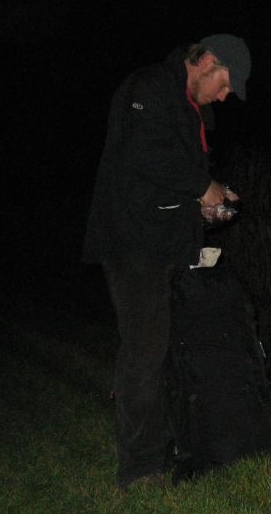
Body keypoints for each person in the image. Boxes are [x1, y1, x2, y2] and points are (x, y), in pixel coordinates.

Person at [82, 34, 251, 488]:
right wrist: (202, 187)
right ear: (208, 61)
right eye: (224, 84)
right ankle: (140, 467)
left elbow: (171, 180)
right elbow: (142, 154)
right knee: (144, 352)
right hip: (133, 243)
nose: (224, 96)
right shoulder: (149, 86)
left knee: (170, 347)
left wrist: (208, 206)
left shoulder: (189, 106)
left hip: (168, 242)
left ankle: (174, 442)